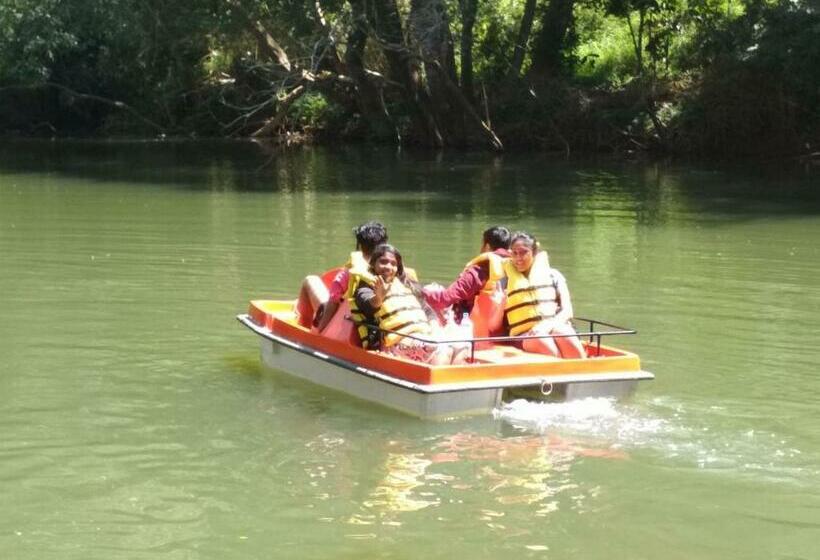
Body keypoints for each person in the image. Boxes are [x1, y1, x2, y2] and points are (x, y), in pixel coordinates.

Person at [350, 244, 468, 365]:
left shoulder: (406, 285)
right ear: (374, 264)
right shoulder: (367, 286)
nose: (388, 267)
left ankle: (451, 379)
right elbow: (367, 304)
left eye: (393, 263)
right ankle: (438, 380)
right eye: (383, 262)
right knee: (443, 349)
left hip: (421, 336)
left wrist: (436, 330)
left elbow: (427, 310)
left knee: (461, 346)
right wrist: (379, 296)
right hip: (396, 342)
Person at [502, 232, 586, 359]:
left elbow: (567, 310)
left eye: (524, 252)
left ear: (534, 252)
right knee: (541, 339)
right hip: (525, 335)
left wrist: (547, 325)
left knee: (564, 333)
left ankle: (581, 371)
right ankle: (561, 372)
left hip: (553, 325)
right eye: (515, 253)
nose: (518, 258)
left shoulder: (554, 275)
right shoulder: (504, 281)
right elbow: (493, 322)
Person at [423, 226, 511, 342]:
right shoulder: (515, 268)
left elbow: (444, 299)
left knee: (427, 295)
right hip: (506, 333)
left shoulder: (479, 271)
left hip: (476, 333)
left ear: (487, 246)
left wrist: (417, 292)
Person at [295, 221, 388, 332]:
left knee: (310, 280)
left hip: (343, 324)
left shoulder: (349, 272)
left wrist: (319, 332)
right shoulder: (393, 269)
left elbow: (332, 303)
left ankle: (303, 326)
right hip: (378, 323)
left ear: (359, 245)